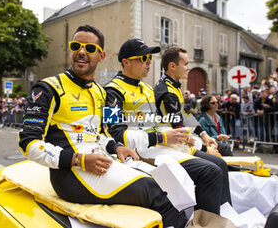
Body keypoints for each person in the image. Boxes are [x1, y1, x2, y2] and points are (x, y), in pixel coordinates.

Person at [18, 25, 187, 227]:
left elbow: (102, 133)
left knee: (170, 184)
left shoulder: (100, 91)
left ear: (101, 55)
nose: (81, 51)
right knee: (155, 192)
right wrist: (78, 159)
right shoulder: (47, 87)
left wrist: (117, 148)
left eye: (89, 48)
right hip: (69, 173)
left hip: (102, 161)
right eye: (76, 46)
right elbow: (28, 143)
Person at [105, 40, 225, 215]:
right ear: (126, 62)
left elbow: (159, 122)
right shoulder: (112, 91)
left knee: (216, 167)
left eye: (150, 57)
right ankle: (207, 224)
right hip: (140, 152)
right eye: (144, 57)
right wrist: (162, 137)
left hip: (160, 147)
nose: (149, 62)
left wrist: (192, 138)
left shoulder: (146, 88)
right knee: (211, 171)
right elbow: (115, 133)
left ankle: (214, 220)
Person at [153, 47, 232, 204]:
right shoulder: (167, 92)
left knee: (222, 154)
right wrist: (204, 148)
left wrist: (204, 134)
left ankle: (223, 210)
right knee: (218, 165)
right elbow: (179, 130)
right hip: (170, 148)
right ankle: (218, 214)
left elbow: (185, 114)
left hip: (178, 143)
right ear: (172, 66)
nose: (189, 68)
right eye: (186, 64)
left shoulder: (172, 86)